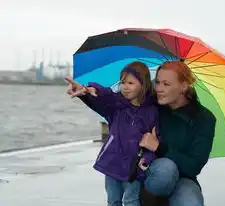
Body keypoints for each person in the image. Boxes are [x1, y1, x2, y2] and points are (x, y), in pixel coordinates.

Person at [65, 61, 159, 206]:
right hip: (112, 163)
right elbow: (103, 96)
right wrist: (86, 91)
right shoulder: (116, 106)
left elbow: (155, 139)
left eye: (131, 83)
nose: (125, 87)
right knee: (113, 201)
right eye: (122, 82)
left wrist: (147, 159)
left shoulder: (152, 112)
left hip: (134, 168)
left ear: (143, 84)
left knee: (131, 200)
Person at [138, 61, 216, 206]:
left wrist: (159, 147)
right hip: (149, 173)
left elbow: (193, 167)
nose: (159, 89)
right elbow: (117, 107)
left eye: (166, 84)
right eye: (158, 82)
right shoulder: (150, 106)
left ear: (184, 86)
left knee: (190, 203)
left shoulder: (203, 118)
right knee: (165, 170)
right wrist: (87, 94)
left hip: (184, 178)